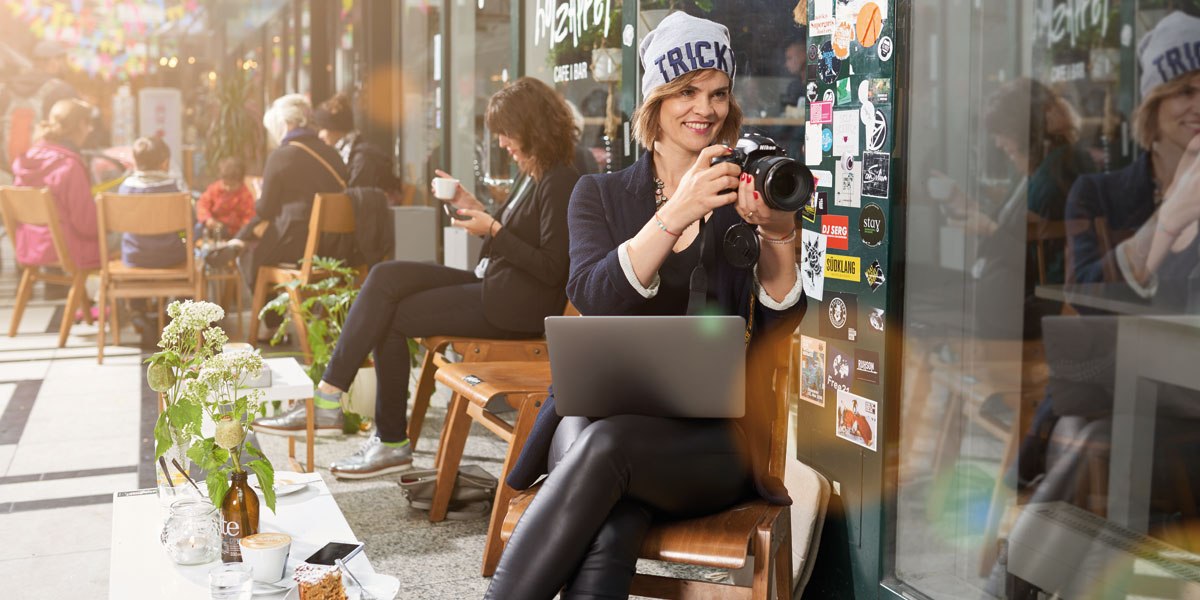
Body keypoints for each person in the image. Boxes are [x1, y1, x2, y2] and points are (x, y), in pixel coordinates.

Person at [486, 13, 805, 598]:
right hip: (596, 418)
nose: (703, 109)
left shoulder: (746, 195)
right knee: (613, 513)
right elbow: (593, 295)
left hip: (711, 442)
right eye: (686, 91)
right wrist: (675, 214)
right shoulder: (599, 195)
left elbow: (780, 325)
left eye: (717, 93)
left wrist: (781, 232)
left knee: (606, 455)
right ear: (655, 101)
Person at [253, 77, 582, 477]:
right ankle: (334, 402)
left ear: (532, 128)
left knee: (391, 318)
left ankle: (375, 432)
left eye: (506, 133)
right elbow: (520, 234)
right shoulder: (535, 174)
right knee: (386, 276)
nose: (501, 143)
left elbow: (552, 267)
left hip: (516, 307)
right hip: (498, 287)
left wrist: (493, 231)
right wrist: (471, 206)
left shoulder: (560, 180)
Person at [229, 94, 349, 309]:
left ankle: (272, 325)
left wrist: (259, 194)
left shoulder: (281, 156)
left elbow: (265, 209)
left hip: (300, 248)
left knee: (252, 257)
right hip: (336, 247)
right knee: (259, 243)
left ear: (285, 123)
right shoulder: (332, 153)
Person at [10, 99, 100, 273]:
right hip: (68, 248)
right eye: (89, 124)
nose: (90, 130)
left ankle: (60, 290)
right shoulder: (69, 165)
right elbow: (87, 225)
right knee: (130, 237)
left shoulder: (26, 160)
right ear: (81, 125)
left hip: (30, 245)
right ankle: (133, 299)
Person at [1, 40, 78, 175]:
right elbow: (73, 133)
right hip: (45, 173)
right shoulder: (62, 90)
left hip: (6, 172)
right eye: (62, 61)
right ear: (54, 62)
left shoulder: (5, 90)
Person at [116, 136, 187, 268]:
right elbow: (188, 222)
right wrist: (185, 240)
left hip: (134, 256)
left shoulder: (125, 189)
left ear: (135, 163)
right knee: (184, 233)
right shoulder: (174, 189)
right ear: (165, 163)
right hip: (172, 256)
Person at [312, 92, 401, 192]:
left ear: (336, 129)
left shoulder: (362, 157)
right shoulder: (349, 153)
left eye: (323, 128)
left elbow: (356, 198)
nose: (320, 135)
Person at [196, 157, 255, 240]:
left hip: (233, 232)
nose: (228, 188)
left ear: (241, 182)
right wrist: (207, 219)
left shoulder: (245, 196)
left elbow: (249, 218)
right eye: (225, 184)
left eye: (232, 186)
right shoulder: (215, 188)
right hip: (213, 225)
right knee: (197, 229)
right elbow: (202, 203)